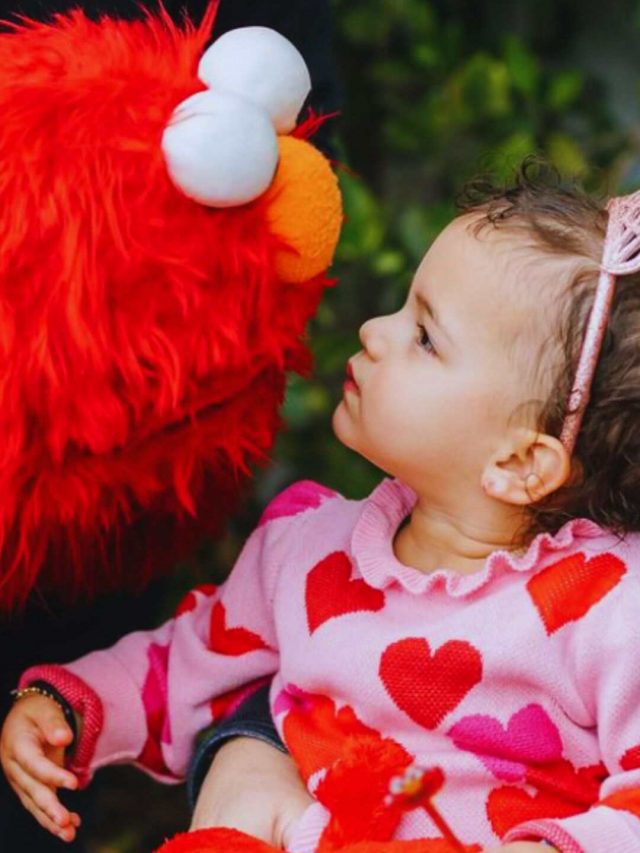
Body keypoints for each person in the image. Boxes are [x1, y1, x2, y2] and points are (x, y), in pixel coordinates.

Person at [4, 160, 640, 852]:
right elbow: (181, 669)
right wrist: (66, 706)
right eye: (404, 308)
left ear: (519, 463)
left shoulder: (607, 611)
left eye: (425, 337)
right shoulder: (305, 548)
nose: (374, 329)